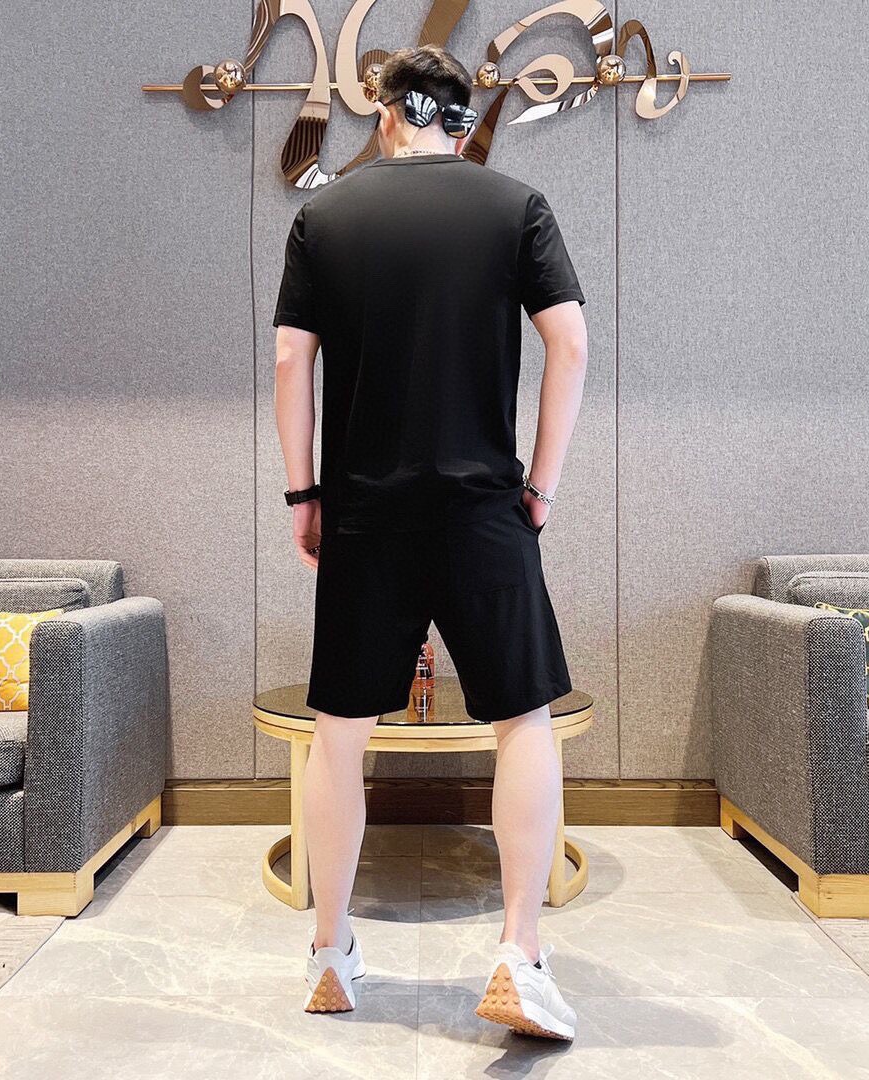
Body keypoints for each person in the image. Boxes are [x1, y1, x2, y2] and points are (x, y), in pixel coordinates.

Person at [272, 44, 588, 1041]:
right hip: (485, 507)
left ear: (386, 111)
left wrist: (305, 493)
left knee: (339, 733)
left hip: (365, 511)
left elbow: (289, 363)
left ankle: (330, 950)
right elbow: (571, 344)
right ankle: (520, 952)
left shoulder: (326, 214)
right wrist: (540, 487)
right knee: (522, 720)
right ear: (459, 118)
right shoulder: (516, 207)